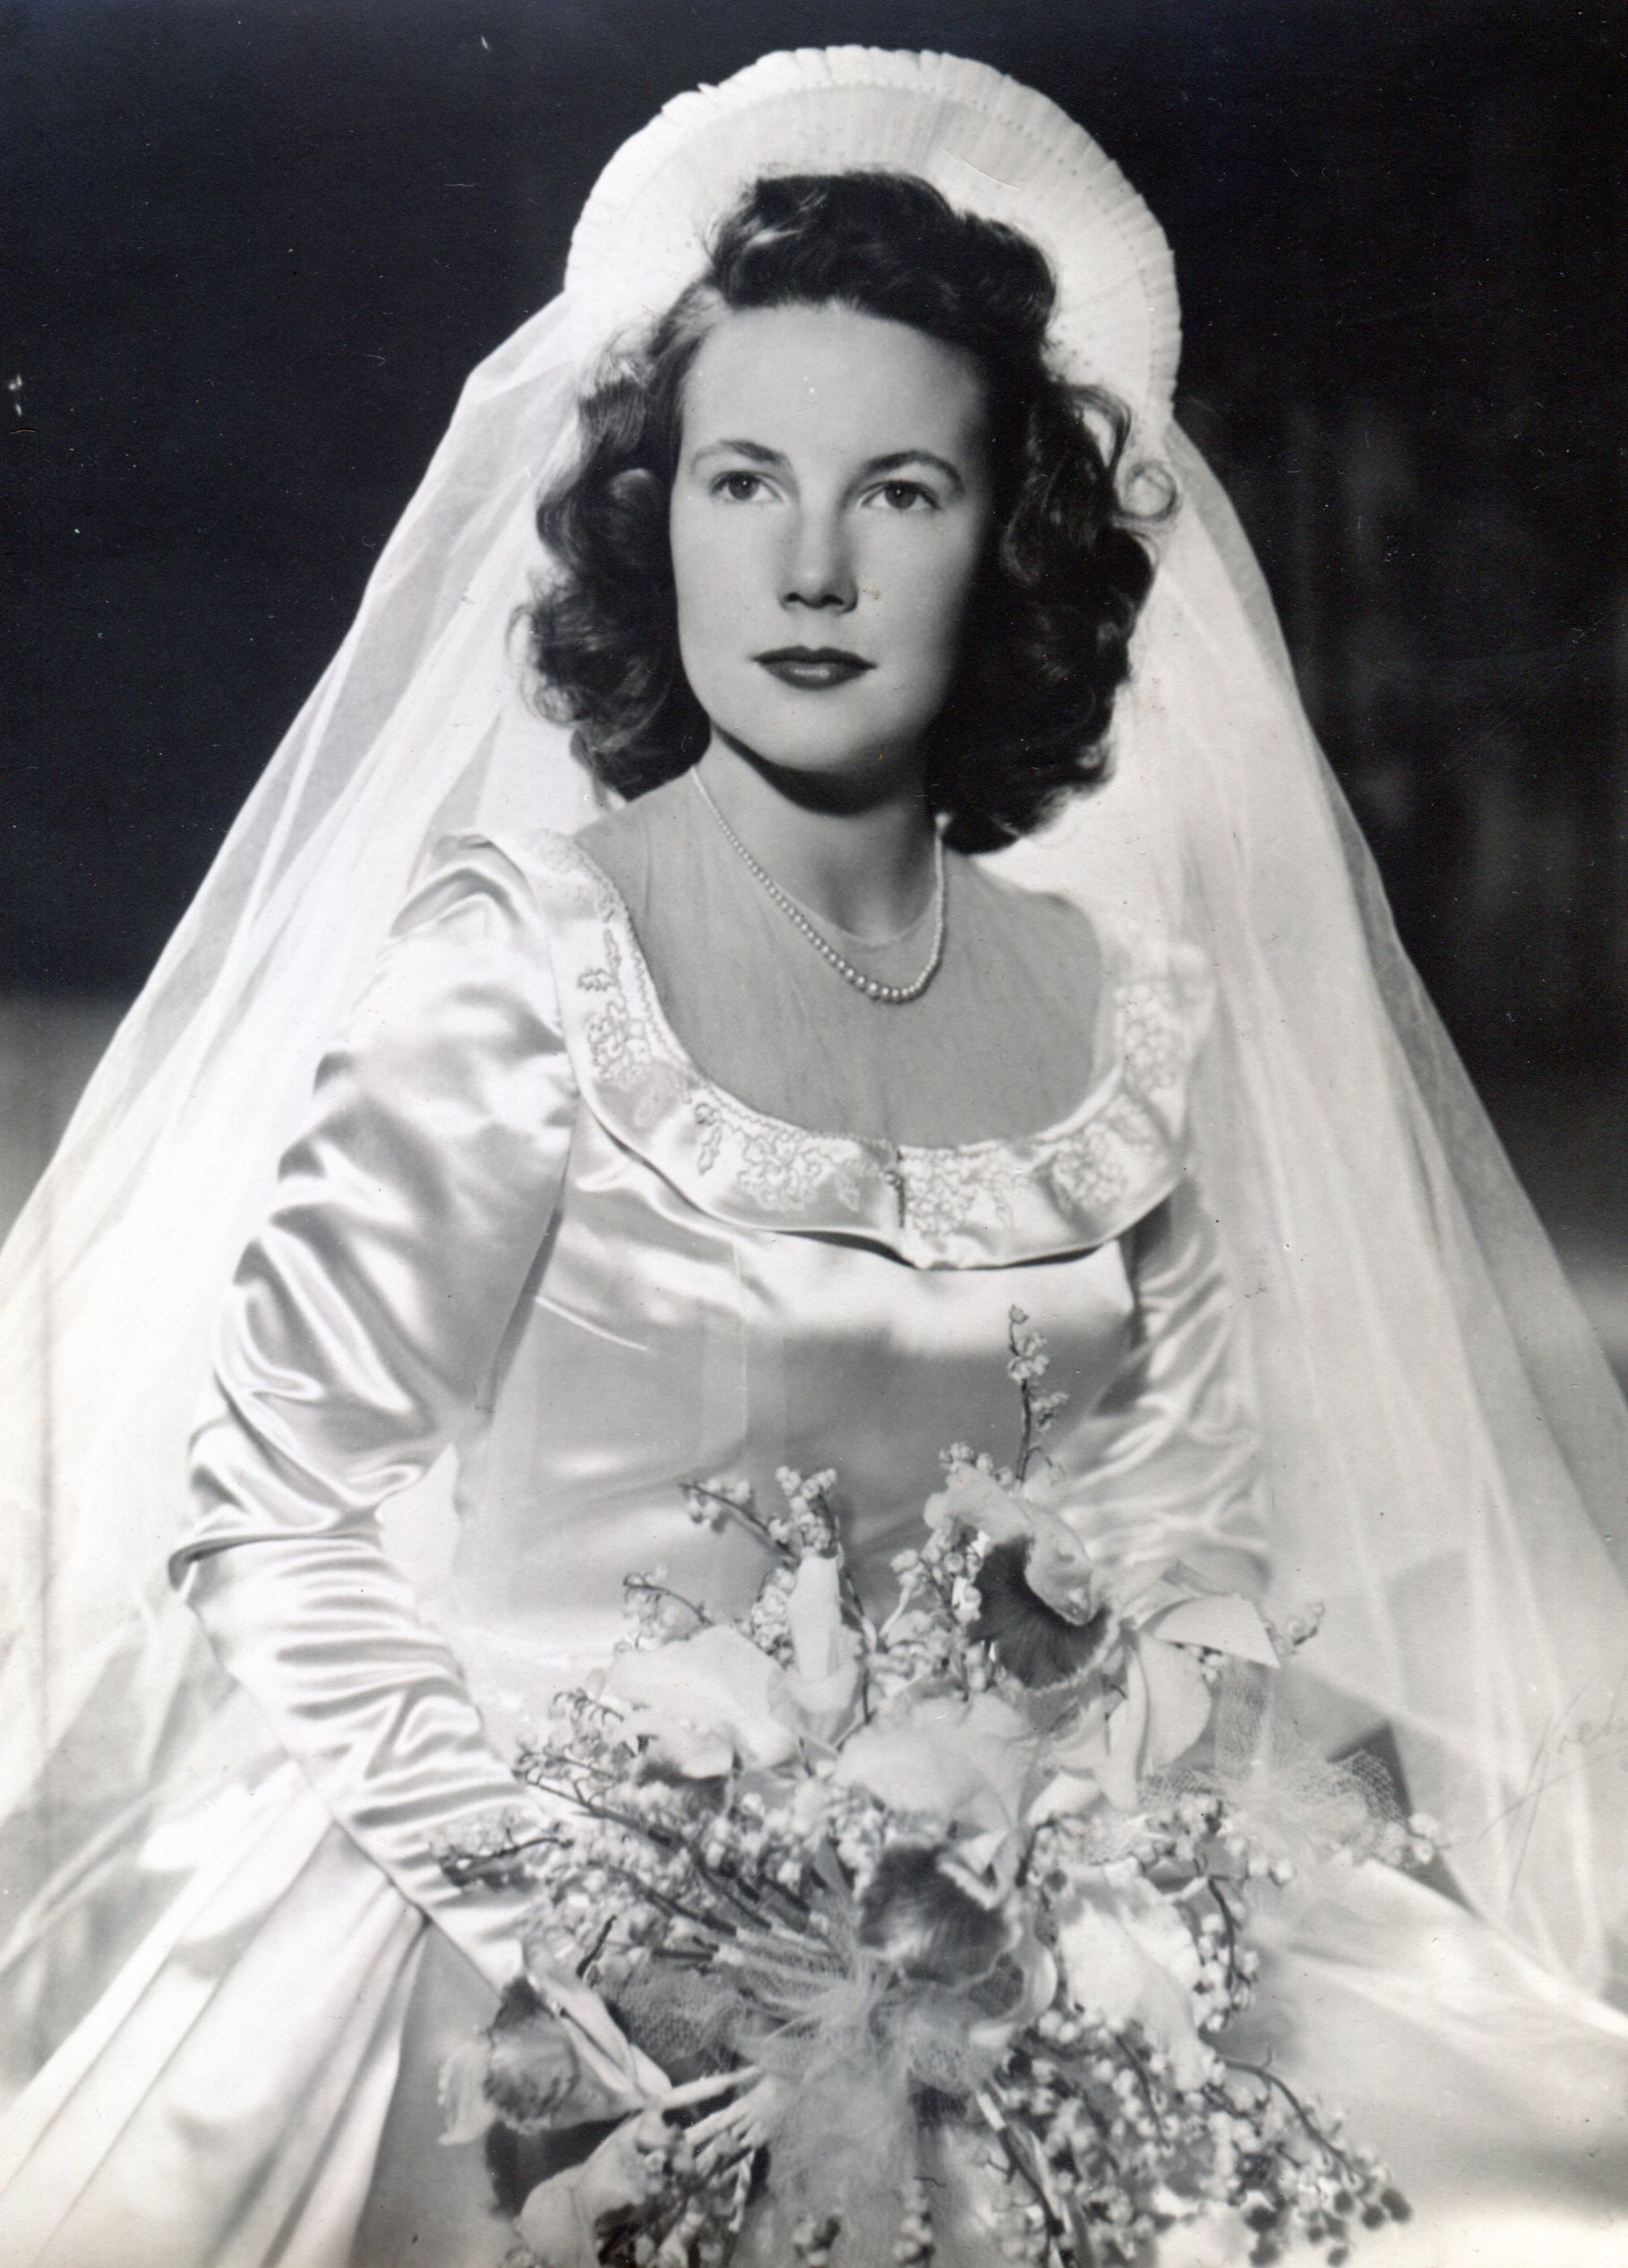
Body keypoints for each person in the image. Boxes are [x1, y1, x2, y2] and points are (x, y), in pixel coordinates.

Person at [0, 46, 1624, 2268]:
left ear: (1014, 541)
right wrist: (602, 1935)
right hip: (517, 1928)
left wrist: (1088, 1887)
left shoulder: (1112, 1007)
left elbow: (1179, 1537)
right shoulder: (524, 966)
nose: (815, 565)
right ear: (650, 513)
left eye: (906, 494)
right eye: (744, 481)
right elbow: (275, 1514)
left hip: (1006, 1927)